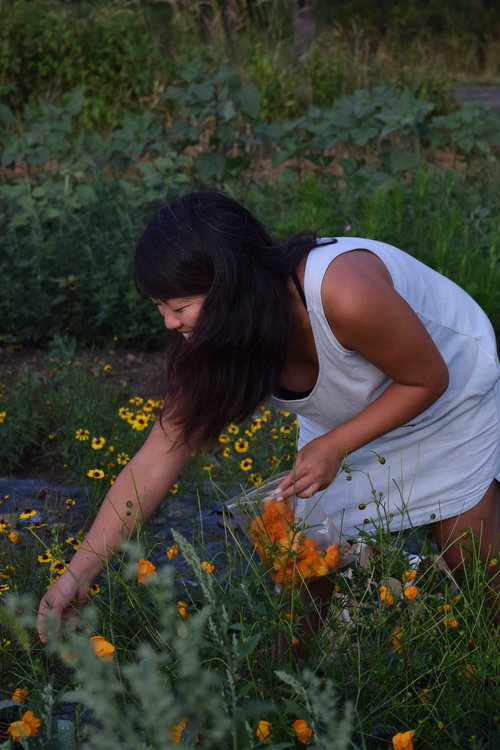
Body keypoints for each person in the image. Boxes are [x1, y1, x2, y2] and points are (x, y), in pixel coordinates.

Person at [37, 189, 500, 641]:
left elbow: (426, 380)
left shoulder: (343, 292)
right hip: (346, 416)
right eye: (160, 307)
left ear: (231, 288)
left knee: (474, 565)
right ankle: (286, 693)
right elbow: (154, 460)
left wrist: (336, 445)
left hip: (448, 396)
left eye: (179, 307)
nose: (169, 324)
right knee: (303, 558)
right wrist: (78, 574)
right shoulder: (216, 340)